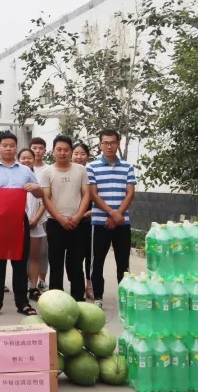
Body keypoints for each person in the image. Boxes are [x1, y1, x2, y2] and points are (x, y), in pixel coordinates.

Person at [0, 131, 43, 317]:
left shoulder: (25, 170)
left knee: (20, 263)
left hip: (19, 221)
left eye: (12, 146)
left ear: (16, 148)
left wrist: (35, 188)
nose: (8, 149)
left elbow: (40, 194)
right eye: (5, 146)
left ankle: (22, 303)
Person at [87, 129, 136, 309]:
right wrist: (112, 213)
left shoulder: (128, 167)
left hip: (122, 223)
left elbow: (130, 193)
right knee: (97, 261)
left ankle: (125, 297)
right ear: (100, 145)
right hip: (99, 223)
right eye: (105, 143)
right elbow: (93, 195)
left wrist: (117, 215)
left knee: (123, 262)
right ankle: (98, 296)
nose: (109, 146)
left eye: (113, 143)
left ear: (118, 144)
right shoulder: (91, 167)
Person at [40, 135, 91, 301]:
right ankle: (57, 301)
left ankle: (78, 299)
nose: (62, 153)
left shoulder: (80, 170)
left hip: (78, 223)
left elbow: (86, 194)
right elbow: (46, 198)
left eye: (66, 150)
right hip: (55, 223)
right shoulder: (47, 172)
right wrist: (60, 219)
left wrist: (78, 216)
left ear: (70, 151)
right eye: (59, 149)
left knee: (76, 263)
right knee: (56, 263)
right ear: (53, 151)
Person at [18, 148, 48, 303]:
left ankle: (33, 287)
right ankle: (21, 286)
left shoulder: (39, 177)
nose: (26, 160)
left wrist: (36, 218)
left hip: (35, 222)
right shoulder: (15, 177)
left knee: (34, 257)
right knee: (20, 258)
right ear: (18, 160)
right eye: (23, 158)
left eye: (29, 158)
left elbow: (45, 200)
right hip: (17, 223)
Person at [72, 142, 94, 299]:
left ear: (88, 156)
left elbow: (97, 196)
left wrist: (91, 212)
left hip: (90, 219)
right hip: (71, 219)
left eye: (82, 154)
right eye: (76, 153)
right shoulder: (68, 172)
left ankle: (89, 285)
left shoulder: (92, 173)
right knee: (74, 256)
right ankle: (76, 286)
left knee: (89, 254)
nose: (79, 157)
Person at [29, 136, 49, 293]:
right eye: (34, 148)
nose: (37, 151)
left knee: (43, 251)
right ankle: (30, 280)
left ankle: (41, 279)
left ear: (45, 151)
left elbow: (46, 197)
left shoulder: (48, 169)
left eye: (40, 148)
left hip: (45, 216)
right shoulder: (24, 168)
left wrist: (36, 217)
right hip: (26, 216)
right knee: (27, 252)